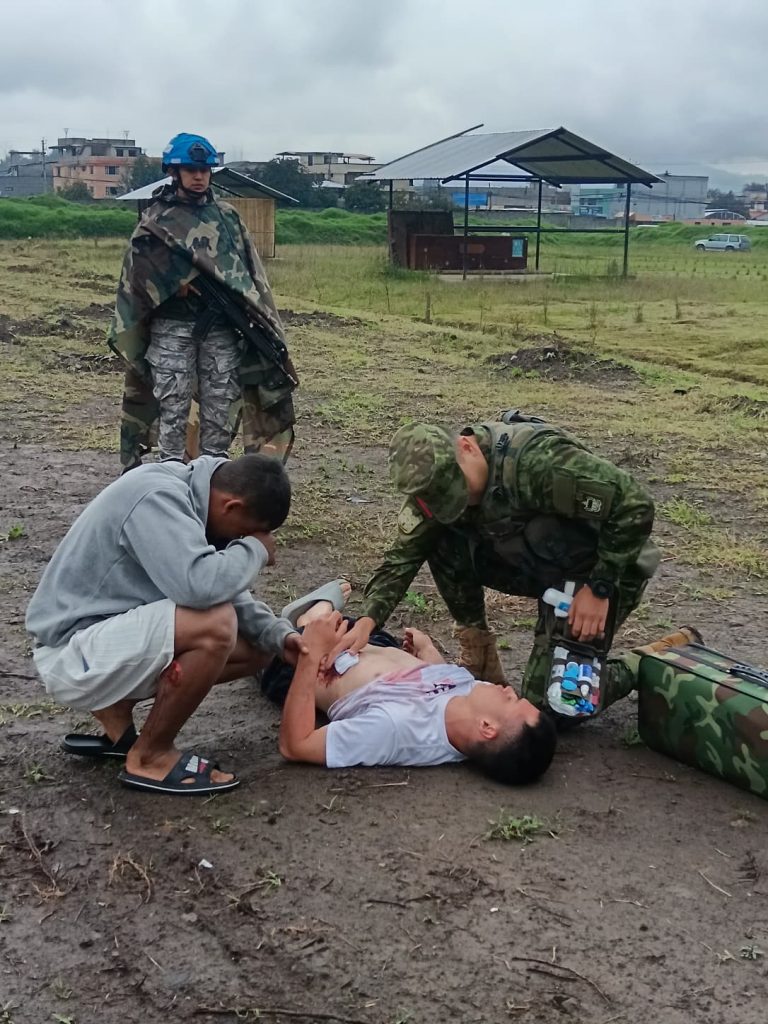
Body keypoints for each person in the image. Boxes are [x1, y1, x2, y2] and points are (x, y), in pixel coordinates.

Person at [328, 414, 661, 721]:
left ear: (466, 446)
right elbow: (402, 558)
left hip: (602, 570)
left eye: (459, 492)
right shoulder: (434, 488)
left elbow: (634, 505)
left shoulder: (537, 464)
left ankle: (643, 663)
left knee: (554, 706)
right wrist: (367, 621)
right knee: (438, 536)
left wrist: (600, 587)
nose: (457, 504)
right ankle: (479, 650)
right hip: (542, 564)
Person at [25, 454, 306, 795]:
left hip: (105, 640)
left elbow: (223, 591)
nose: (242, 541)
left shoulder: (198, 497)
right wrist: (254, 551)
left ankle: (115, 709)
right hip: (70, 652)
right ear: (231, 506)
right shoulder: (157, 497)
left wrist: (278, 635)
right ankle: (151, 757)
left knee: (258, 647)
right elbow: (200, 588)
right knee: (215, 625)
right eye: (244, 534)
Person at [108, 132, 297, 473]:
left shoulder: (227, 218)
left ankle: (212, 481)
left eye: (204, 170)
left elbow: (248, 273)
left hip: (222, 329)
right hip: (172, 328)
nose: (199, 177)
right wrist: (173, 285)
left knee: (219, 410)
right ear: (174, 172)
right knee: (173, 406)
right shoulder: (155, 220)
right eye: (191, 170)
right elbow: (138, 274)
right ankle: (170, 480)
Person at [263, 582, 557, 784]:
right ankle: (319, 616)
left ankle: (308, 618)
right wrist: (428, 652)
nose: (509, 690)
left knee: (266, 638)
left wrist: (312, 653)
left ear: (487, 727)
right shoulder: (470, 698)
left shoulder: (395, 729)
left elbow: (296, 746)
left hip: (302, 664)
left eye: (511, 700)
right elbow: (442, 688)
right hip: (374, 646)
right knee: (365, 633)